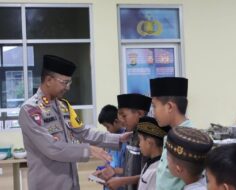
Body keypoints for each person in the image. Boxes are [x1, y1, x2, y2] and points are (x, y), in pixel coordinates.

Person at [18, 55, 130, 190]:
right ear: (48, 80)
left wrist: (118, 138)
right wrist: (88, 150)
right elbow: (51, 148)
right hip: (48, 185)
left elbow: (83, 133)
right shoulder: (30, 110)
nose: (67, 87)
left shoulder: (63, 106)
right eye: (64, 82)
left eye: (69, 83)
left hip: (71, 182)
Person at [149, 77, 193, 190]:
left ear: (169, 107)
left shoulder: (188, 138)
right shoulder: (173, 134)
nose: (153, 113)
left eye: (154, 106)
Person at [106, 93, 152, 190]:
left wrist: (122, 181)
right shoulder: (129, 135)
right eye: (119, 116)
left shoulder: (147, 140)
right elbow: (129, 169)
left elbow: (148, 176)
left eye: (124, 116)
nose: (121, 120)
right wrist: (113, 171)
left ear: (139, 113)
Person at [97, 104, 126, 190]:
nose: (107, 130)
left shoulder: (126, 141)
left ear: (116, 121)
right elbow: (109, 161)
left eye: (107, 127)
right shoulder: (111, 139)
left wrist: (114, 171)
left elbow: (130, 170)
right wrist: (102, 171)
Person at [137, 116, 167, 190]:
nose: (139, 144)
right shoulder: (150, 162)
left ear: (149, 142)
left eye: (140, 140)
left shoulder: (158, 171)